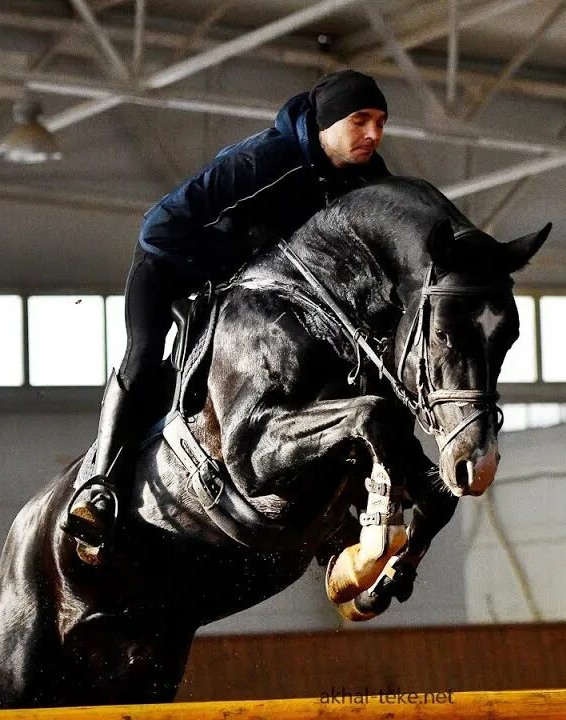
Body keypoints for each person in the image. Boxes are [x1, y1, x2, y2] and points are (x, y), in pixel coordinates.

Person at [62, 69, 392, 563]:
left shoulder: (367, 177)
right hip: (172, 265)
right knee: (146, 355)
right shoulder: (268, 158)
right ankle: (98, 486)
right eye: (359, 120)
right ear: (325, 124)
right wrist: (233, 263)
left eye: (381, 123)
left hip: (255, 290)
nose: (372, 134)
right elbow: (160, 225)